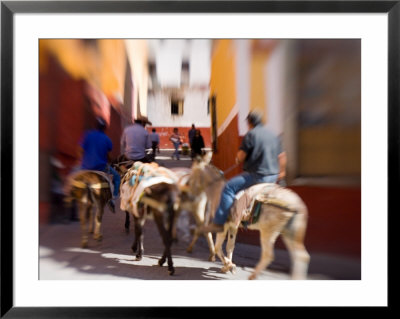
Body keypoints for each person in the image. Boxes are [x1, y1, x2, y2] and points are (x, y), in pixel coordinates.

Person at [199, 110, 287, 233]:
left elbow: (241, 156)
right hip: (273, 176)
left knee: (228, 187)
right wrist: (281, 175)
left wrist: (238, 158)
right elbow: (282, 157)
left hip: (257, 176)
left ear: (250, 123)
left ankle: (219, 223)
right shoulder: (273, 135)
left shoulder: (251, 135)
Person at [78, 117, 121, 210]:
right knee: (117, 177)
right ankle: (113, 198)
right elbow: (108, 156)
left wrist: (82, 161)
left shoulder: (87, 135)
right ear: (105, 128)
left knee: (73, 179)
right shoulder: (107, 139)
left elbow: (80, 150)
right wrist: (111, 161)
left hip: (85, 167)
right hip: (101, 168)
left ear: (95, 125)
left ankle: (72, 208)